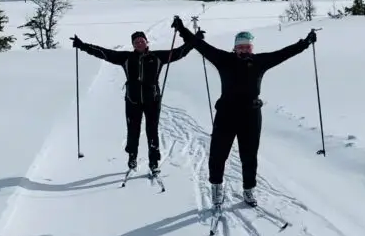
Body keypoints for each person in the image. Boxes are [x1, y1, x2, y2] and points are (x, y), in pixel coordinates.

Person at [169, 15, 316, 207]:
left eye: (247, 47)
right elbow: (200, 46)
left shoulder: (260, 61)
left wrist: (305, 42)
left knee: (249, 155)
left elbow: (284, 53)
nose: (244, 49)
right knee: (218, 153)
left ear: (252, 48)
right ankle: (216, 188)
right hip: (226, 114)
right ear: (235, 47)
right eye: (241, 46)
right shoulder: (223, 59)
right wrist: (182, 29)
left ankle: (248, 190)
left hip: (251, 115)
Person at [72, 28, 200, 174]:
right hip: (132, 101)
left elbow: (179, 52)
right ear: (133, 45)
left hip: (152, 101)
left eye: (142, 41)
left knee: (152, 132)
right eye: (136, 42)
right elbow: (104, 53)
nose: (139, 43)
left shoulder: (158, 56)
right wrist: (82, 46)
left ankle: (153, 162)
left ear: (147, 42)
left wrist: (194, 40)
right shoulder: (125, 58)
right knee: (133, 131)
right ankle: (132, 158)